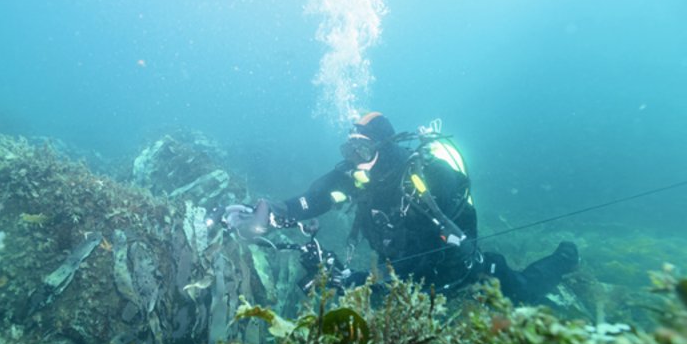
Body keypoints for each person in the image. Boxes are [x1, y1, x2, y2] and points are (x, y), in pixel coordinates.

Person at [227, 112, 578, 304]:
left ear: (384, 148)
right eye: (349, 151)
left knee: (523, 292)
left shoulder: (426, 181)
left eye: (363, 152)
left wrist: (355, 280)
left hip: (451, 269)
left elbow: (424, 267)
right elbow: (314, 198)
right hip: (398, 268)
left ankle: (564, 259)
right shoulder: (358, 174)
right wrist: (269, 211)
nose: (355, 162)